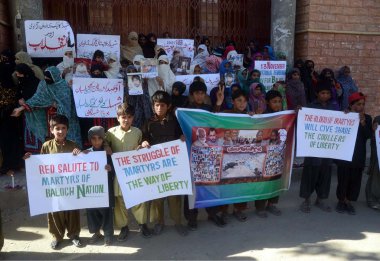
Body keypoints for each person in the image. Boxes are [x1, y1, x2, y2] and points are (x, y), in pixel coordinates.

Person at [23, 115, 82, 250]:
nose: (60, 131)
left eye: (63, 128)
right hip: (54, 187)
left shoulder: (73, 145)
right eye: (57, 128)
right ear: (51, 130)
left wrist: (78, 154)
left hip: (70, 186)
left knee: (72, 210)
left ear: (67, 130)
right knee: (54, 211)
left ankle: (74, 235)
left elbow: (81, 164)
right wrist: (30, 159)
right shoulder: (46, 146)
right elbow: (40, 165)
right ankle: (56, 236)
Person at [141, 90, 188, 236]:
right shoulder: (148, 123)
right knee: (158, 196)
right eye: (156, 105)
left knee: (174, 195)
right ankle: (159, 222)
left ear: (168, 106)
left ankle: (177, 222)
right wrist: (143, 142)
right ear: (153, 106)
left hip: (173, 165)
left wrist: (182, 136)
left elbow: (182, 135)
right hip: (155, 166)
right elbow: (143, 138)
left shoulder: (175, 122)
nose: (159, 108)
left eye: (162, 105)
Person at [104, 103, 152, 240]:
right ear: (117, 117)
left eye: (129, 117)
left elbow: (141, 144)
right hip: (118, 173)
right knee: (120, 201)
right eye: (123, 117)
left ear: (133, 118)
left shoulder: (137, 132)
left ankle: (142, 224)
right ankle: (124, 227)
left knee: (139, 199)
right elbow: (104, 143)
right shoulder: (111, 133)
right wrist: (106, 146)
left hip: (134, 172)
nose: (126, 120)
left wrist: (142, 144)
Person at [184, 81, 226, 229]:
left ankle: (213, 213)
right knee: (191, 187)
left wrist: (219, 103)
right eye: (197, 93)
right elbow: (181, 129)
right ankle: (191, 218)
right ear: (191, 95)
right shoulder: (185, 111)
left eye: (202, 93)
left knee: (210, 184)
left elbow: (215, 121)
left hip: (207, 154)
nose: (200, 96)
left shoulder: (208, 108)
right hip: (190, 153)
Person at [12, 66, 82, 149]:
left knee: (69, 144)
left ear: (55, 76)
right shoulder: (43, 84)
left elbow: (66, 106)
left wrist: (57, 105)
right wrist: (21, 108)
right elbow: (37, 98)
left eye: (48, 77)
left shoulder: (63, 86)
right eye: (45, 76)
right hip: (49, 121)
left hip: (66, 121)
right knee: (52, 144)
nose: (46, 78)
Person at [299, 81, 337, 213]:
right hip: (313, 149)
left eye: (327, 93)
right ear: (317, 94)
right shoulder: (310, 107)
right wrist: (300, 113)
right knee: (310, 173)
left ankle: (321, 199)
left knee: (325, 174)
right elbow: (303, 124)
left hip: (327, 148)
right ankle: (306, 200)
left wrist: (346, 115)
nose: (325, 95)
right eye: (322, 93)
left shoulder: (334, 108)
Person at [73, 126, 115, 245]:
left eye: (99, 138)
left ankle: (108, 234)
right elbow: (77, 167)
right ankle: (96, 232)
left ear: (103, 139)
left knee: (106, 210)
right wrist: (77, 154)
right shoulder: (86, 153)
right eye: (93, 139)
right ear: (89, 140)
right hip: (91, 188)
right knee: (92, 210)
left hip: (105, 187)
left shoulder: (108, 152)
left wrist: (110, 168)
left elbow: (116, 167)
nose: (96, 141)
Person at [335, 92, 371, 214]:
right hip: (344, 155)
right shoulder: (345, 115)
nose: (361, 107)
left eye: (363, 104)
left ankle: (348, 201)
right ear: (351, 105)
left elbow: (368, 136)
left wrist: (363, 123)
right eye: (358, 104)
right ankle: (341, 201)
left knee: (355, 180)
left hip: (358, 155)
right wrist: (346, 116)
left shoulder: (367, 118)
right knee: (343, 179)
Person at [254, 90, 285, 218]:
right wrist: (255, 116)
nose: (277, 104)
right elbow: (255, 128)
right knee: (264, 180)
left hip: (278, 154)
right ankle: (260, 206)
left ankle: (272, 204)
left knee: (276, 178)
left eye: (279, 102)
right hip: (264, 155)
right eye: (274, 102)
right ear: (267, 102)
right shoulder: (263, 115)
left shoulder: (285, 115)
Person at [0, 49, 22, 175]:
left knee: (5, 139)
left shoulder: (5, 69)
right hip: (13, 110)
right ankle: (13, 164)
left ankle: (7, 165)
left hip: (6, 111)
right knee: (12, 137)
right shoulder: (13, 70)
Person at [125, 65, 152, 129]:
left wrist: (144, 83)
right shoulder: (123, 83)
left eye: (133, 71)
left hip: (140, 108)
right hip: (129, 108)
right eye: (129, 71)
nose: (131, 73)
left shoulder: (140, 81)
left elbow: (146, 95)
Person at [366, 115, 380, 209]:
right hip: (378, 151)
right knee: (376, 173)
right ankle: (372, 199)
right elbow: (374, 134)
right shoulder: (378, 119)